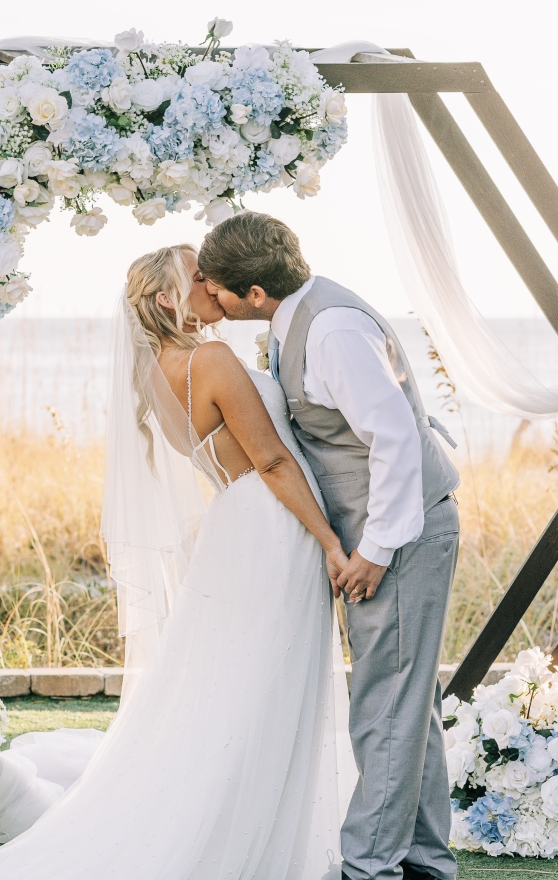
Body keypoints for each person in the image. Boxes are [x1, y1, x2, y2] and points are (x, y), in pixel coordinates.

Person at [0, 243, 356, 879]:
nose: (214, 283)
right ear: (170, 297)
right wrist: (332, 542)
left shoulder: (158, 372)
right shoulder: (213, 357)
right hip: (275, 523)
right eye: (199, 277)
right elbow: (275, 461)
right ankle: (252, 829)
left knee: (241, 678)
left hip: (237, 523)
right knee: (270, 674)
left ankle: (249, 814)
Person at [198, 212, 461, 880]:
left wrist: (373, 549)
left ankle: (369, 869)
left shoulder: (333, 330)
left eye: (219, 288)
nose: (210, 295)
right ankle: (425, 861)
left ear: (255, 294)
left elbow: (395, 438)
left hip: (399, 534)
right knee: (408, 704)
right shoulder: (300, 318)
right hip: (386, 529)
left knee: (385, 708)